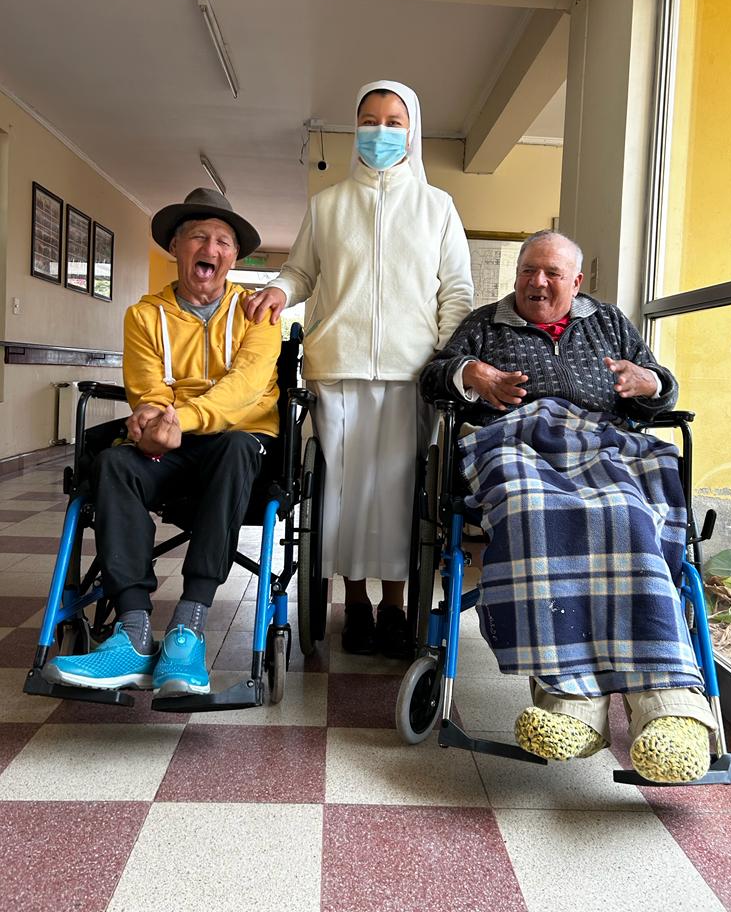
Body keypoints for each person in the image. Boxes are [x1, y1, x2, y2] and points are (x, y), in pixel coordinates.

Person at [420, 229, 717, 784]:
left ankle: (670, 704)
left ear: (576, 282)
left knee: (628, 515)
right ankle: (571, 700)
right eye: (529, 271)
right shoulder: (485, 324)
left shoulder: (608, 322)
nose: (537, 282)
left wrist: (648, 380)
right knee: (537, 515)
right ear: (516, 275)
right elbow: (433, 377)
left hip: (603, 446)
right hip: (515, 444)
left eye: (552, 274)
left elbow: (663, 387)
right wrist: (471, 374)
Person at [244, 80, 473, 657]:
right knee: (341, 492)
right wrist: (276, 290)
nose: (380, 132)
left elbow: (458, 293)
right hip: (337, 365)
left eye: (394, 122)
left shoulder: (437, 207)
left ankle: (395, 603)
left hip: (409, 371)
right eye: (369, 121)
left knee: (397, 491)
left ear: (412, 131)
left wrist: (447, 362)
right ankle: (355, 602)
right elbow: (300, 272)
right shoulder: (327, 205)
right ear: (355, 129)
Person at [45, 187, 282, 696]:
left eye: (223, 241)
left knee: (239, 445)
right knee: (113, 466)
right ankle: (132, 633)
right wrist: (152, 418)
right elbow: (147, 386)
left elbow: (245, 388)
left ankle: (188, 630)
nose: (211, 249)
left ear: (234, 257)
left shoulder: (257, 313)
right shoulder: (144, 316)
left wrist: (183, 417)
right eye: (199, 237)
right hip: (172, 443)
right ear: (176, 247)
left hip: (237, 441)